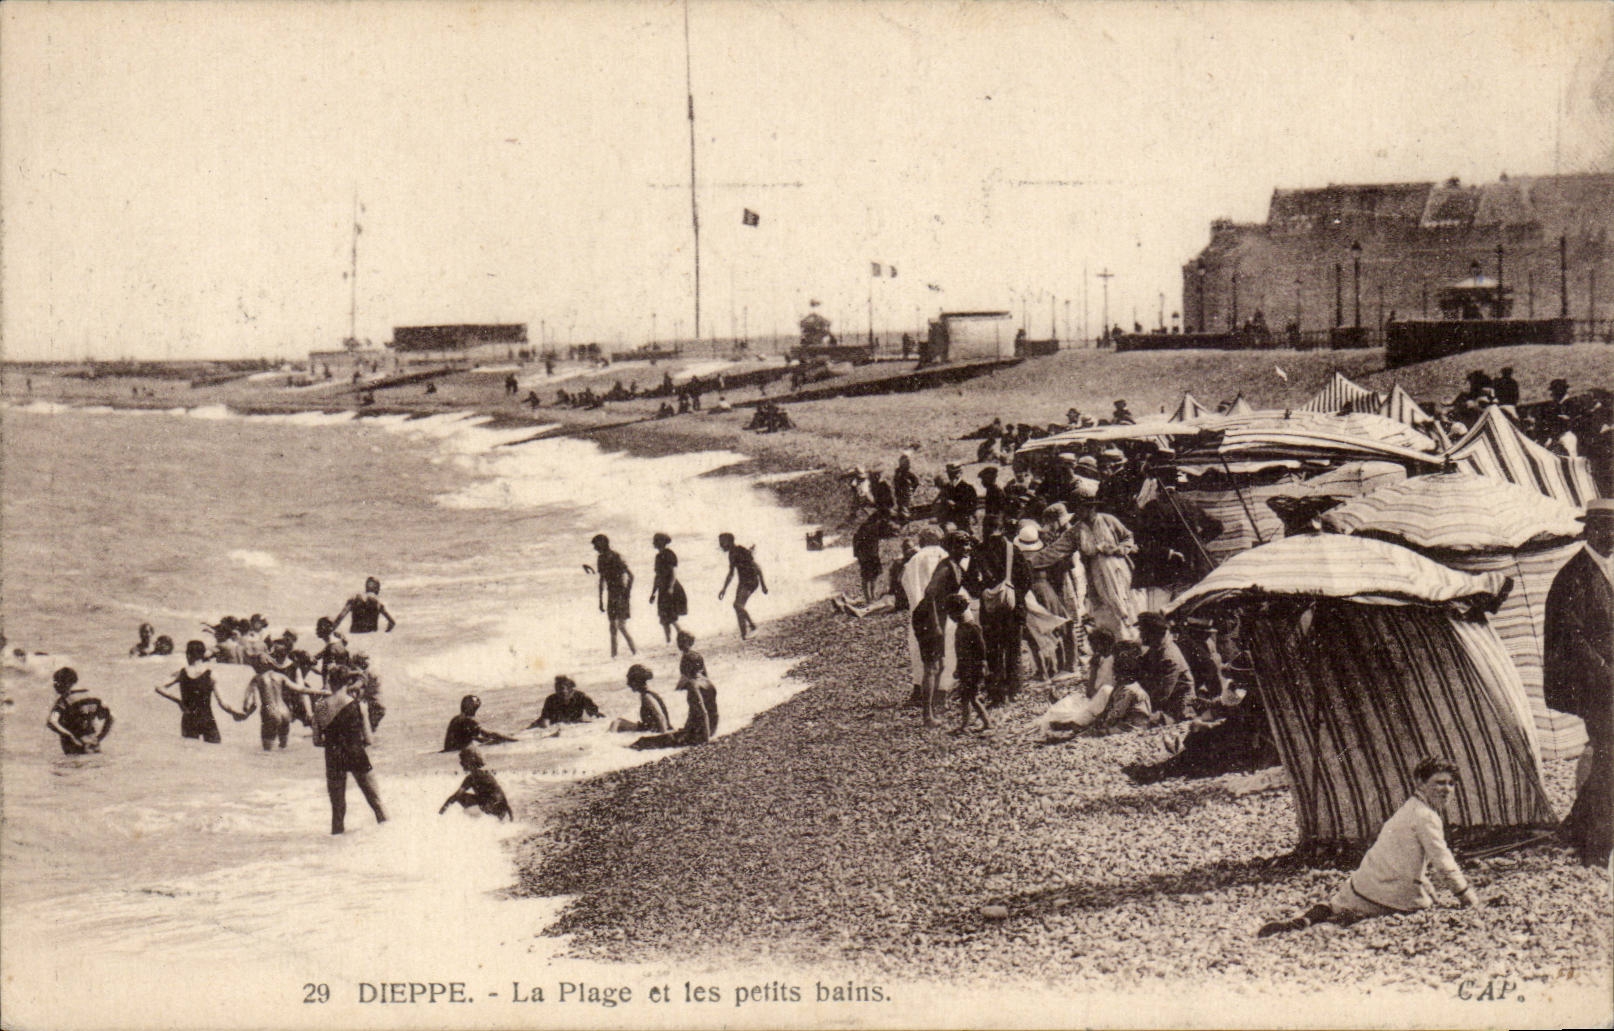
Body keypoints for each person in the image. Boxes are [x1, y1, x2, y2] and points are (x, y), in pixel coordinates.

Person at [1257, 757, 1480, 936]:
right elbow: (1444, 862)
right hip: (1394, 893)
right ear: (1420, 783)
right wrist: (1465, 895)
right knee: (1425, 905)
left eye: (1451, 784)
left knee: (1335, 904)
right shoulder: (1426, 817)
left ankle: (1306, 920)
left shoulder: (1409, 809)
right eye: (1439, 782)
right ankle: (1335, 923)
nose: (1447, 789)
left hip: (1367, 883)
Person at [1543, 497, 1614, 867]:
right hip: (1591, 685)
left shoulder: (1606, 569)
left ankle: (1576, 827)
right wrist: (1605, 671)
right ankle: (1596, 848)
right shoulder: (1575, 575)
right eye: (1605, 527)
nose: (1612, 535)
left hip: (1608, 683)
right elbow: (1571, 636)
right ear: (1589, 530)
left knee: (1607, 758)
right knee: (1610, 758)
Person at [313, 673, 386, 835]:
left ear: (330, 683)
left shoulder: (320, 707)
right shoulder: (358, 705)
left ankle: (336, 850)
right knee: (376, 803)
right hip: (355, 753)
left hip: (333, 755)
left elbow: (317, 741)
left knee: (337, 810)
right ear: (347, 684)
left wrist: (334, 742)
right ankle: (387, 840)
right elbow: (369, 740)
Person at [238, 650, 329, 750]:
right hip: (285, 713)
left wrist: (245, 713)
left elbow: (252, 702)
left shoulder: (257, 679)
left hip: (270, 712)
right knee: (283, 749)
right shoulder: (280, 677)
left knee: (268, 751)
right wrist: (324, 692)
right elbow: (301, 689)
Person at [155, 640, 243, 743]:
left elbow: (159, 687)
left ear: (188, 654)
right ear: (203, 655)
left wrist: (178, 700)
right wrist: (234, 712)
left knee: (189, 753)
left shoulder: (181, 673)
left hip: (189, 718)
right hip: (207, 718)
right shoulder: (210, 675)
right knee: (214, 752)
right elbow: (222, 703)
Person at [1137, 611, 1196, 723]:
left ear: (1153, 633)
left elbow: (1162, 694)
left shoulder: (1169, 657)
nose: (1140, 635)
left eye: (1142, 632)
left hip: (1178, 707)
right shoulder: (1157, 647)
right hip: (1165, 701)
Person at [46, 667, 114, 755]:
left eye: (56, 682)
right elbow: (111, 717)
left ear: (65, 683)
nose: (55, 686)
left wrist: (69, 736)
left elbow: (51, 722)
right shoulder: (92, 697)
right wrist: (101, 736)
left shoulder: (64, 701)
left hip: (75, 748)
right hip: (94, 746)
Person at [588, 534, 636, 657]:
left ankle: (635, 653)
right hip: (611, 594)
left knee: (621, 626)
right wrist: (600, 600)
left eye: (596, 545)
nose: (594, 548)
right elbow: (602, 580)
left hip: (620, 593)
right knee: (613, 627)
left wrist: (626, 594)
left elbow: (631, 576)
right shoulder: (601, 559)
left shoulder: (616, 557)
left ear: (603, 543)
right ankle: (614, 657)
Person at [948, 594, 990, 734]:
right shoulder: (962, 627)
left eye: (951, 613)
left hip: (973, 669)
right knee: (969, 698)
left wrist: (983, 665)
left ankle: (978, 724)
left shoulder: (971, 627)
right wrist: (957, 668)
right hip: (966, 668)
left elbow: (981, 648)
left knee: (970, 698)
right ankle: (976, 723)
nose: (950, 617)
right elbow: (960, 654)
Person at [438, 746, 513, 821]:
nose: (460, 763)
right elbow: (500, 796)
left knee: (460, 797)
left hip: (494, 807)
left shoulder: (473, 777)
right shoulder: (485, 774)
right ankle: (477, 819)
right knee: (462, 797)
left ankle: (474, 820)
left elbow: (456, 796)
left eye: (462, 760)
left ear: (470, 760)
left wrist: (441, 811)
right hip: (500, 809)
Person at [718, 532, 767, 639]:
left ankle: (753, 626)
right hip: (743, 582)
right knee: (738, 606)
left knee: (737, 605)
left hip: (752, 581)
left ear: (730, 542)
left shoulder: (741, 550)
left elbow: (757, 567)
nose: (720, 545)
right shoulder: (731, 554)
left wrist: (763, 585)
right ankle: (744, 634)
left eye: (722, 542)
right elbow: (731, 574)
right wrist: (724, 589)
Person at [610, 664, 674, 734]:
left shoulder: (647, 696)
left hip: (654, 731)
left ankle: (608, 741)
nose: (628, 684)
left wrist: (664, 736)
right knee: (618, 722)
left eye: (630, 680)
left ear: (637, 682)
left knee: (617, 722)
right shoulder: (648, 694)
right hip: (651, 729)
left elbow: (660, 717)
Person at [648, 533, 688, 643]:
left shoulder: (669, 554)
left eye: (656, 541)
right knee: (664, 618)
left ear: (661, 542)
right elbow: (657, 576)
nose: (654, 543)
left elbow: (673, 572)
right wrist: (653, 593)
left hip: (671, 587)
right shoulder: (658, 557)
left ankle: (682, 638)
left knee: (671, 617)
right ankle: (668, 641)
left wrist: (670, 587)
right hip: (663, 589)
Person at [443, 694, 519, 752]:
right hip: (456, 751)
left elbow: (471, 736)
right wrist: (513, 740)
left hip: (450, 749)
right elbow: (488, 734)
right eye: (475, 701)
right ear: (469, 706)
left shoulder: (456, 718)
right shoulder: (469, 719)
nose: (478, 702)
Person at [852, 510, 895, 606]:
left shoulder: (874, 527)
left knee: (873, 576)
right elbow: (856, 541)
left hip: (872, 555)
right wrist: (859, 555)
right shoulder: (866, 528)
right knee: (867, 577)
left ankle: (871, 597)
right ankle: (868, 598)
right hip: (867, 556)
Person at [529, 675, 603, 728]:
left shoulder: (581, 697)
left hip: (574, 723)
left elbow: (594, 712)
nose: (559, 692)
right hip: (555, 723)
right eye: (557, 689)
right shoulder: (551, 699)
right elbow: (545, 718)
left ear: (570, 690)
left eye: (562, 689)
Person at [331, 577, 396, 635]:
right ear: (377, 589)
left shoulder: (354, 599)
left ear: (366, 588)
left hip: (355, 636)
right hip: (371, 637)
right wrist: (386, 631)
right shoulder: (378, 603)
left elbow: (340, 617)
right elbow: (392, 622)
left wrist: (331, 630)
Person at [893, 452, 921, 521]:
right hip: (900, 493)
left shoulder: (907, 474)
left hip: (905, 493)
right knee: (901, 505)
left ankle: (905, 518)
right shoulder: (898, 473)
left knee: (904, 505)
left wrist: (911, 489)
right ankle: (902, 517)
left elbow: (916, 482)